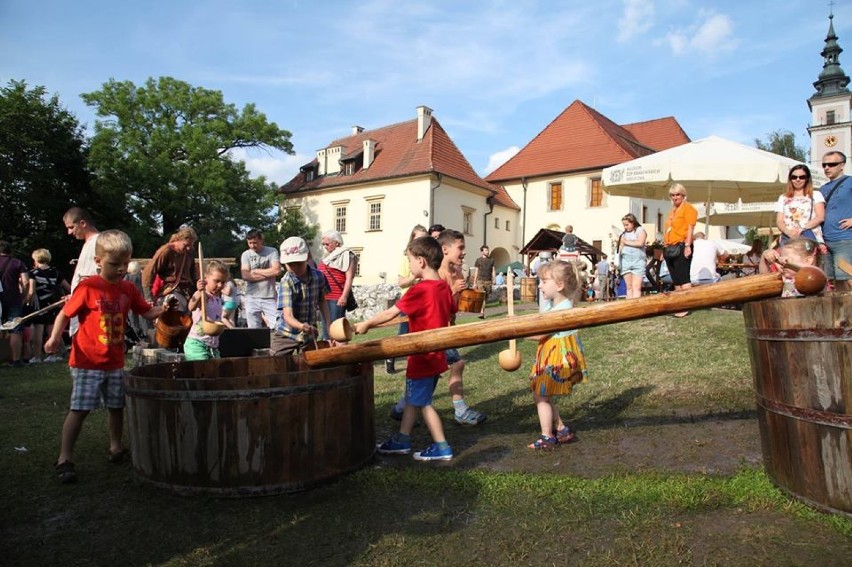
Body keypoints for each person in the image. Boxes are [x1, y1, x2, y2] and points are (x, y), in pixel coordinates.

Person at [44, 230, 163, 484]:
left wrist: (167, 307)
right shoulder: (88, 287)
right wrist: (55, 338)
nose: (121, 269)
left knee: (116, 406)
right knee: (80, 409)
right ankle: (64, 457)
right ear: (98, 261)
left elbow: (148, 312)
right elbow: (65, 314)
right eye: (114, 264)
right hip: (88, 361)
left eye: (124, 264)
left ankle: (116, 447)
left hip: (115, 361)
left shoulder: (128, 289)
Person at [356, 236, 455, 461]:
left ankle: (442, 446)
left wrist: (367, 324)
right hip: (436, 354)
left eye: (409, 260)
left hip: (422, 355)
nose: (409, 266)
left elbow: (391, 313)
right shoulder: (443, 288)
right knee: (413, 397)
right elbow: (451, 311)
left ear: (421, 261)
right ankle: (402, 439)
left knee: (423, 403)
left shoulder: (419, 290)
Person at [524, 260, 589, 449]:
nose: (539, 285)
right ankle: (561, 429)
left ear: (559, 285)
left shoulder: (561, 312)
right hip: (552, 356)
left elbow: (538, 335)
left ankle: (547, 437)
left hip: (556, 360)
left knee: (541, 396)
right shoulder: (560, 306)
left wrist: (513, 331)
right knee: (543, 394)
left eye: (544, 281)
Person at [271, 236, 332, 356]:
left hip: (309, 333)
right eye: (290, 264)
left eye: (298, 263)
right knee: (275, 362)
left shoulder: (319, 277)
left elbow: (322, 301)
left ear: (307, 258)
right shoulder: (286, 282)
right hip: (287, 333)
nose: (294, 268)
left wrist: (329, 325)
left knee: (311, 364)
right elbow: (288, 316)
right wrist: (301, 326)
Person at [386, 224, 427, 376]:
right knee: (404, 334)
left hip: (424, 300)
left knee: (423, 333)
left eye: (424, 239)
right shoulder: (406, 258)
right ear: (412, 239)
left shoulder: (427, 258)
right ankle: (390, 358)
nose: (421, 242)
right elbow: (401, 282)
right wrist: (414, 277)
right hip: (409, 300)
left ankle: (423, 364)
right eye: (418, 238)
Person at [28, 249, 71, 364]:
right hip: (53, 303)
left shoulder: (33, 273)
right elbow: (68, 287)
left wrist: (26, 301)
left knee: (38, 328)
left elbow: (31, 291)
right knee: (52, 329)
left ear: (36, 259)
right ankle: (53, 354)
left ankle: (37, 356)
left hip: (40, 304)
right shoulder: (55, 272)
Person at [141, 226, 198, 312]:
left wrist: (198, 287)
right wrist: (148, 297)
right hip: (172, 291)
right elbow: (148, 272)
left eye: (191, 245)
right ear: (178, 240)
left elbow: (193, 274)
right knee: (173, 318)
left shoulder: (189, 252)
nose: (189, 248)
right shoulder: (166, 251)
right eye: (186, 245)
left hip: (188, 294)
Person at [818, 151, 852, 291]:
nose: (827, 168)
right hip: (826, 241)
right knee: (835, 281)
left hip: (845, 239)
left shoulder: (850, 181)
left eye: (832, 164)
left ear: (842, 165)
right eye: (824, 165)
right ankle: (844, 311)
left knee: (848, 277)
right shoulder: (822, 188)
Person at [62, 207, 100, 336]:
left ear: (82, 223)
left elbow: (99, 277)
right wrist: (74, 294)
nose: (69, 232)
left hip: (92, 309)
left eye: (71, 227)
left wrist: (80, 295)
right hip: (81, 305)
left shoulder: (99, 242)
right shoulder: (88, 243)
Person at [663, 183, 698, 317]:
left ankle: (686, 306)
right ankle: (679, 306)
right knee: (676, 279)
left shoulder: (689, 209)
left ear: (683, 195)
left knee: (683, 278)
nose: (675, 197)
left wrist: (688, 245)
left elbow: (690, 228)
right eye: (672, 195)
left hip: (682, 245)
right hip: (670, 247)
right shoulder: (672, 211)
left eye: (677, 194)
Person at [184, 260, 229, 361]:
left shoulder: (217, 298)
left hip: (212, 346)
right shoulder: (203, 296)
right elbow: (191, 307)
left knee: (215, 372)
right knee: (202, 372)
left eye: (223, 282)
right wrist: (200, 292)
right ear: (205, 279)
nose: (220, 285)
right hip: (197, 344)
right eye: (216, 281)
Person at [775, 164, 826, 251]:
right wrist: (789, 232)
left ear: (807, 179)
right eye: (794, 177)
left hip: (809, 236)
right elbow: (779, 221)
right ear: (790, 179)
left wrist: (801, 229)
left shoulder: (816, 195)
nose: (797, 179)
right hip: (788, 238)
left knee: (810, 263)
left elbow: (820, 217)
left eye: (802, 177)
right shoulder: (783, 197)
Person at [240, 229, 281, 329]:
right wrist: (268, 274)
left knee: (277, 325)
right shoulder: (246, 255)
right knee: (253, 328)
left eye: (255, 242)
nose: (253, 246)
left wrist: (257, 271)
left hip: (269, 296)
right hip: (251, 297)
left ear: (261, 240)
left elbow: (277, 271)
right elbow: (245, 276)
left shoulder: (272, 251)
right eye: (250, 243)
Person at [0, 241, 31, 367]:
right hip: (14, 299)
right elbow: (26, 281)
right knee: (15, 330)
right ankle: (16, 360)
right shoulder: (17, 262)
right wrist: (23, 296)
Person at [317, 230, 358, 322]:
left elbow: (349, 278)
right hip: (324, 297)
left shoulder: (347, 255)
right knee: (326, 330)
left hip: (336, 298)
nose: (325, 247)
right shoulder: (328, 257)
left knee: (335, 329)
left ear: (336, 243)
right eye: (323, 244)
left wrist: (344, 296)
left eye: (327, 244)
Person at [618, 214, 647, 299]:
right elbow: (621, 245)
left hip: (638, 262)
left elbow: (640, 243)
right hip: (626, 262)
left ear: (633, 222)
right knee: (629, 287)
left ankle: (636, 308)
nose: (625, 227)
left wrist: (626, 242)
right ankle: (629, 307)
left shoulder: (640, 230)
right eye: (624, 225)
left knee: (636, 287)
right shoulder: (623, 234)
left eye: (627, 224)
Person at [472, 245, 495, 319]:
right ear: (482, 252)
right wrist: (474, 283)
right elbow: (476, 271)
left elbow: (493, 270)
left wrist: (494, 279)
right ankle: (481, 313)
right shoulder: (478, 260)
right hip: (480, 280)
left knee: (485, 298)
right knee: (481, 297)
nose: (487, 252)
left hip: (488, 281)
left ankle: (482, 312)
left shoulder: (492, 260)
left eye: (488, 250)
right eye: (485, 250)